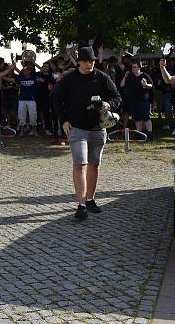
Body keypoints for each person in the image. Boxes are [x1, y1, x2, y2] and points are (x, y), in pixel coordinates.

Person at [53, 47, 121, 221]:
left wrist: (108, 105)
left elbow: (117, 97)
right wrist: (64, 120)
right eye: (86, 61)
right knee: (80, 164)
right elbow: (55, 98)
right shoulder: (70, 79)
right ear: (79, 62)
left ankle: (90, 199)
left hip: (98, 128)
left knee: (94, 164)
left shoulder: (102, 76)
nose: (90, 63)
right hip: (77, 128)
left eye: (92, 60)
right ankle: (81, 204)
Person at [120, 61, 154, 140]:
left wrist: (145, 85)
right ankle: (139, 134)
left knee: (145, 117)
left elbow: (151, 85)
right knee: (137, 118)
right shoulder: (130, 76)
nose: (133, 69)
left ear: (139, 67)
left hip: (143, 100)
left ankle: (149, 134)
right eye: (132, 67)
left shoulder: (144, 75)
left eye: (135, 67)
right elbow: (122, 85)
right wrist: (125, 76)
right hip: (132, 101)